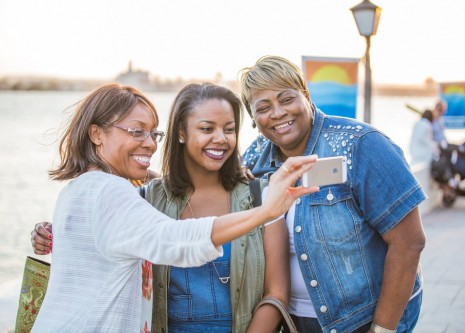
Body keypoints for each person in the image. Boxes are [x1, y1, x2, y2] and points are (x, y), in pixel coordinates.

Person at [29, 83, 318, 332]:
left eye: (229, 129)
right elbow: (175, 239)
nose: (149, 144)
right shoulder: (138, 196)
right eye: (136, 132)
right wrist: (265, 212)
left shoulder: (84, 189)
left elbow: (276, 293)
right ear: (97, 134)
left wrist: (52, 233)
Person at [239, 56, 427, 333]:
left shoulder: (360, 145)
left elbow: (409, 242)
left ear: (305, 94)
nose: (277, 113)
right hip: (292, 323)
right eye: (263, 108)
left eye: (286, 99)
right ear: (253, 118)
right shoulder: (253, 159)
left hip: (363, 321)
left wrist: (383, 329)